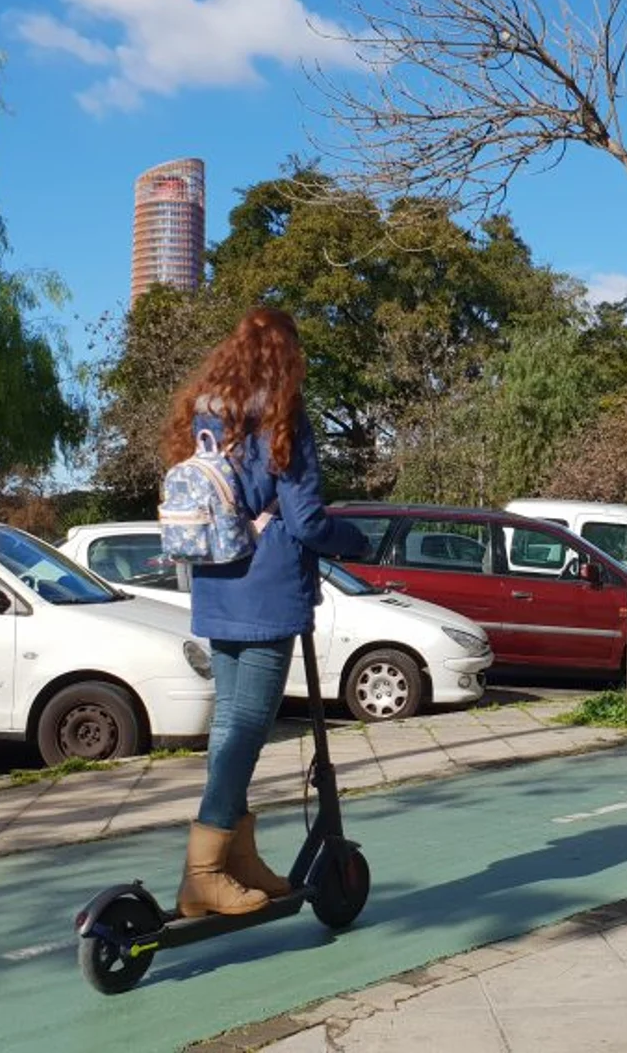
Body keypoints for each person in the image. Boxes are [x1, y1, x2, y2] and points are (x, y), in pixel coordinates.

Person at [163, 307, 367, 918]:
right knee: (244, 729)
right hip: (266, 589)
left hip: (216, 581)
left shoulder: (206, 411)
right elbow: (305, 521)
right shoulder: (281, 415)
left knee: (232, 723)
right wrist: (353, 541)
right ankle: (203, 873)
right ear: (288, 358)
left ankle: (238, 857)